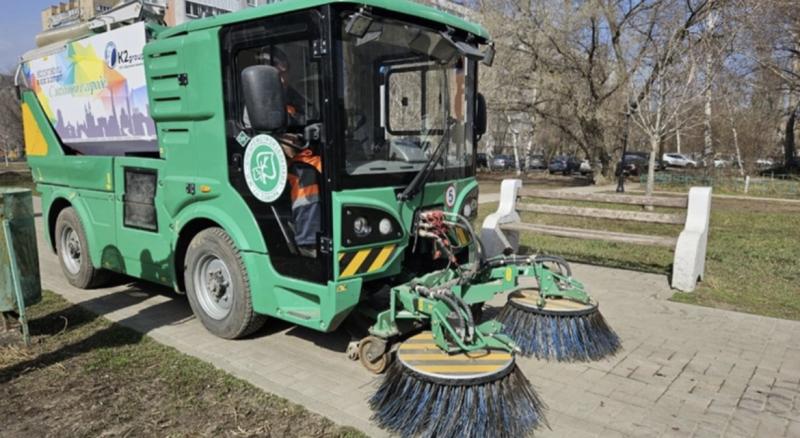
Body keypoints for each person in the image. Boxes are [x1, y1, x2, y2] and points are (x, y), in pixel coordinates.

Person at [279, 134, 322, 258]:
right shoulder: (306, 164)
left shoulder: (302, 168)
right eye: (288, 138)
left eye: (294, 138)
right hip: (310, 234)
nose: (292, 140)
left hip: (309, 237)